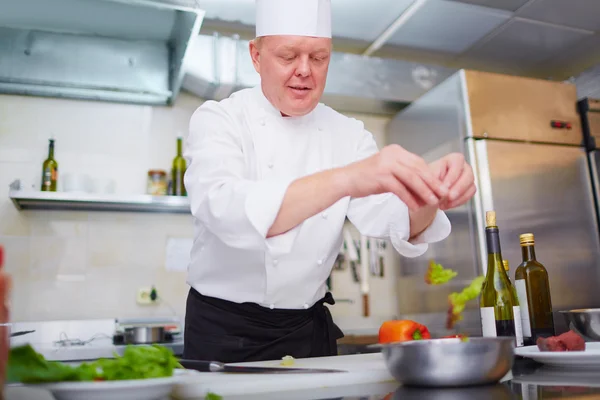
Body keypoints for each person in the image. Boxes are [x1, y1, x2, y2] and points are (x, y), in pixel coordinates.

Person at [182, 0, 476, 364]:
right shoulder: (219, 120)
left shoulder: (347, 134)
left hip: (307, 334)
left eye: (319, 58)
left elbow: (394, 218)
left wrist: (433, 191)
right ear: (256, 56)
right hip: (223, 333)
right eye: (288, 56)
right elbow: (226, 210)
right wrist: (349, 178)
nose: (304, 70)